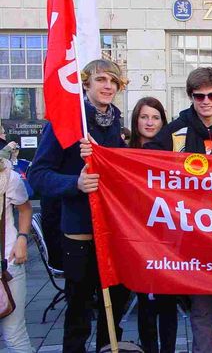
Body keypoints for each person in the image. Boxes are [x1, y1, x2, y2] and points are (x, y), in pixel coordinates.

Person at [28, 59, 131, 353]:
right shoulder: (66, 122)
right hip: (80, 232)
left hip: (113, 231)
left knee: (114, 310)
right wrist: (75, 183)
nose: (108, 86)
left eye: (113, 80)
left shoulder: (115, 122)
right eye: (100, 79)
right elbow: (38, 175)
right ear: (86, 84)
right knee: (79, 313)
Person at [146, 67, 212, 353]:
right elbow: (144, 165)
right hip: (193, 235)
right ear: (191, 96)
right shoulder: (175, 132)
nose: (206, 100)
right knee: (200, 309)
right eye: (199, 95)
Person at [129, 97, 178, 353]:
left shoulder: (172, 153)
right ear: (136, 120)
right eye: (144, 117)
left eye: (155, 117)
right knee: (145, 305)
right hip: (137, 238)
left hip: (167, 239)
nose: (149, 122)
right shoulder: (123, 152)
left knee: (168, 303)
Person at [0, 157, 33, 352]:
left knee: (14, 335)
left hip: (6, 266)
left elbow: (25, 208)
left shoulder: (7, 176)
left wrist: (22, 238)